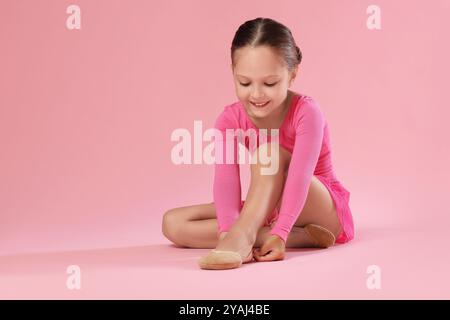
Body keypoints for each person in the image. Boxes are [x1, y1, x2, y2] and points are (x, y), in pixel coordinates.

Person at [162, 17, 354, 270]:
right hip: (269, 206)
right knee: (173, 223)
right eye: (244, 82)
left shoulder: (307, 111)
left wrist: (282, 230)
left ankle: (248, 237)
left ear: (293, 74)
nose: (256, 94)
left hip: (320, 206)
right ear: (233, 73)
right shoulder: (229, 119)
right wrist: (226, 230)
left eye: (270, 83)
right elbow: (226, 181)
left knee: (269, 153)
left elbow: (300, 176)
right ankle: (292, 237)